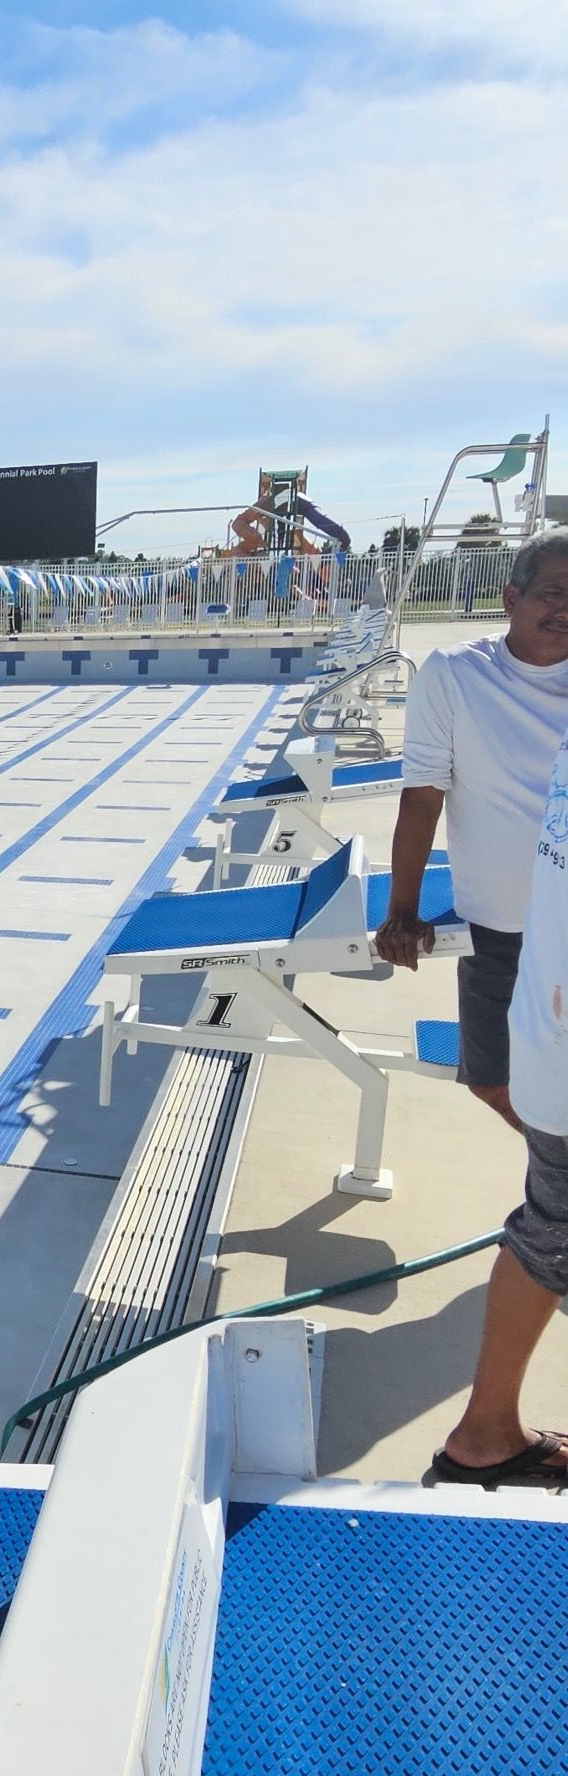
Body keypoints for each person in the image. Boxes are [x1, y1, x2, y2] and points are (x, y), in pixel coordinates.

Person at [375, 530, 568, 1127]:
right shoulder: (457, 673)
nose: (565, 610)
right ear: (511, 599)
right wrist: (402, 909)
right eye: (551, 593)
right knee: (492, 1079)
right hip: (499, 924)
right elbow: (423, 797)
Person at [433, 721, 568, 1482]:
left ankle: (486, 1431)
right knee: (552, 1232)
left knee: (550, 1230)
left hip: (550, 1034)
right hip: (558, 1043)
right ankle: (484, 1434)